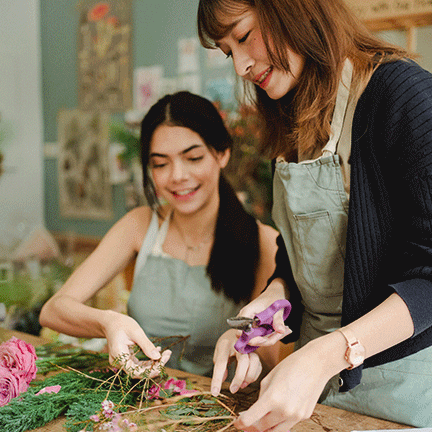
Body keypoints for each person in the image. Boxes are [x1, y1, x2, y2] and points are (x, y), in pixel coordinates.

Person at [197, 0, 432, 429]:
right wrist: (270, 304)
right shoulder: (291, 112)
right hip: (318, 389)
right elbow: (299, 256)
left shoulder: (402, 94)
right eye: (229, 52)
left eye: (244, 36)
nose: (241, 66)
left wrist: (328, 354)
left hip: (406, 392)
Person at [39, 91, 280, 379]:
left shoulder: (263, 241)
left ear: (222, 153)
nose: (177, 176)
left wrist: (246, 345)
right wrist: (107, 322)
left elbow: (270, 361)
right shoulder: (139, 225)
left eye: (193, 158)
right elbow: (53, 310)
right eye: (161, 164)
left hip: (220, 400)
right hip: (141, 395)